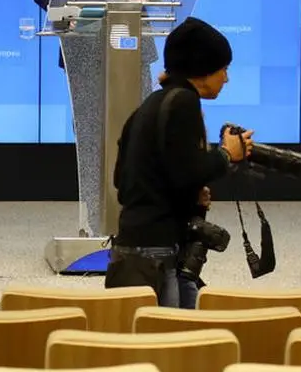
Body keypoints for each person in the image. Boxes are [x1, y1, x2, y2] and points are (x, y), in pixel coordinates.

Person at [31, 0, 175, 236]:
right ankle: (95, 227)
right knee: (93, 140)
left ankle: (138, 224)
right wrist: (63, 8)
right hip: (82, 51)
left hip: (128, 50)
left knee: (137, 138)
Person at [104, 17, 253, 307]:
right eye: (223, 68)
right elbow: (188, 172)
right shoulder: (184, 102)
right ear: (202, 69)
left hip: (132, 248)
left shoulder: (150, 104)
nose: (226, 78)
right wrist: (226, 154)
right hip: (157, 256)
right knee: (169, 345)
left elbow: (123, 181)